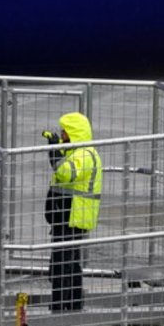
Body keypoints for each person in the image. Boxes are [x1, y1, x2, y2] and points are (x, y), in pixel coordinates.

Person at [43, 112, 103, 313]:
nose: (61, 134)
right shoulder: (77, 152)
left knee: (63, 264)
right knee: (69, 262)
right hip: (68, 215)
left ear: (73, 133)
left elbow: (64, 172)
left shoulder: (84, 155)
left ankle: (60, 310)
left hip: (72, 216)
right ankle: (73, 306)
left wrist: (53, 150)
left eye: (64, 131)